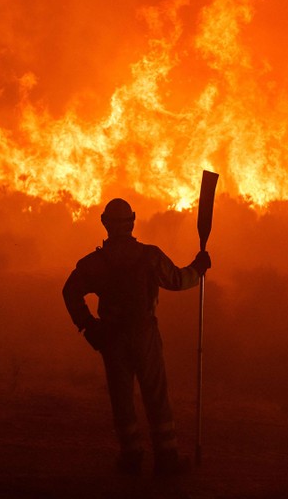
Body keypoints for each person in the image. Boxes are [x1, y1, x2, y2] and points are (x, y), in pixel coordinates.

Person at [62, 198, 211, 475]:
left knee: (122, 399)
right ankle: (166, 460)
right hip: (144, 335)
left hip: (111, 337)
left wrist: (88, 326)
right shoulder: (149, 256)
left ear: (105, 223)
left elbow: (70, 292)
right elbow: (178, 281)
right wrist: (198, 268)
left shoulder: (94, 263)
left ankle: (131, 458)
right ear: (132, 221)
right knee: (156, 396)